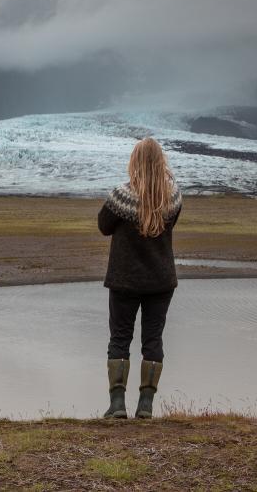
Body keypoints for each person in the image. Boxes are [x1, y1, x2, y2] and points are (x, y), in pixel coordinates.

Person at [97, 137, 182, 419]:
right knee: (153, 340)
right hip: (160, 281)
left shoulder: (120, 197)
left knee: (120, 339)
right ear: (161, 162)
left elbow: (103, 226)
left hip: (124, 280)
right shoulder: (172, 198)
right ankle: (145, 406)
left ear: (134, 162)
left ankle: (117, 404)